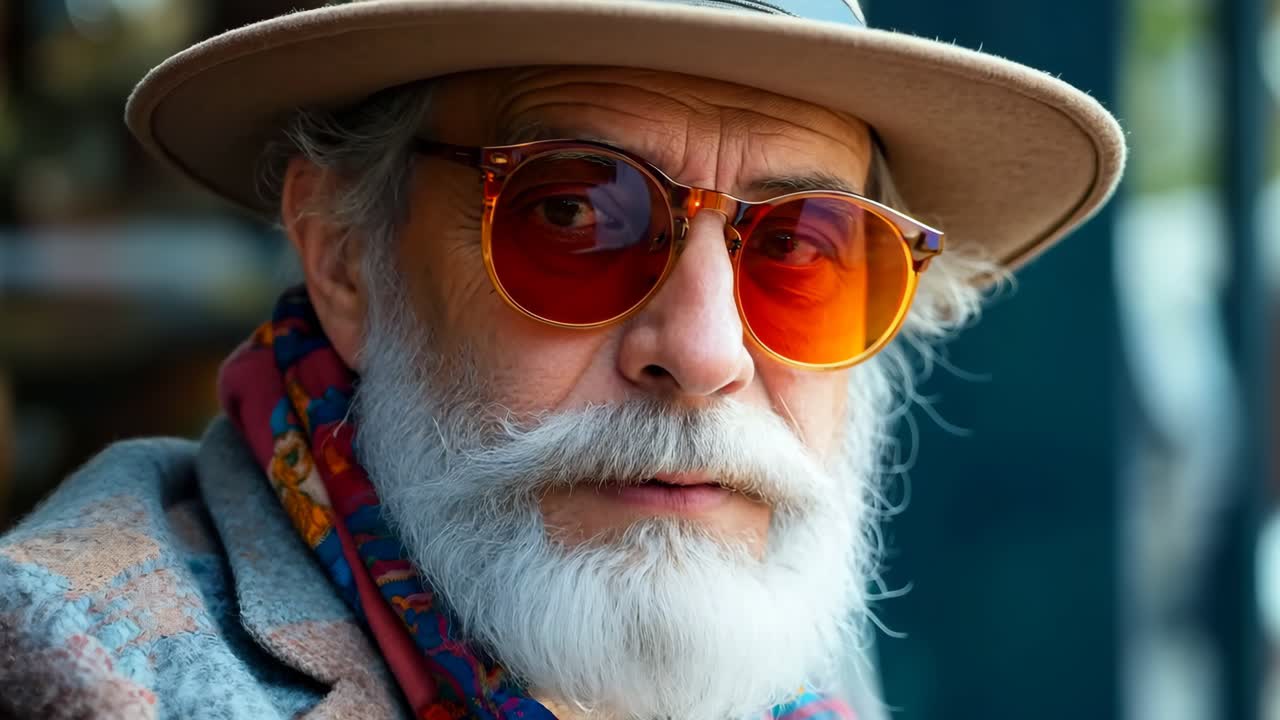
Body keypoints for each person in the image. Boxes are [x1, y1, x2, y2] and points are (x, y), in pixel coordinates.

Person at [0, 1, 1126, 718]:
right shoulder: (74, 668)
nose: (700, 351)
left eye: (795, 249)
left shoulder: (788, 662)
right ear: (345, 256)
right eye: (575, 216)